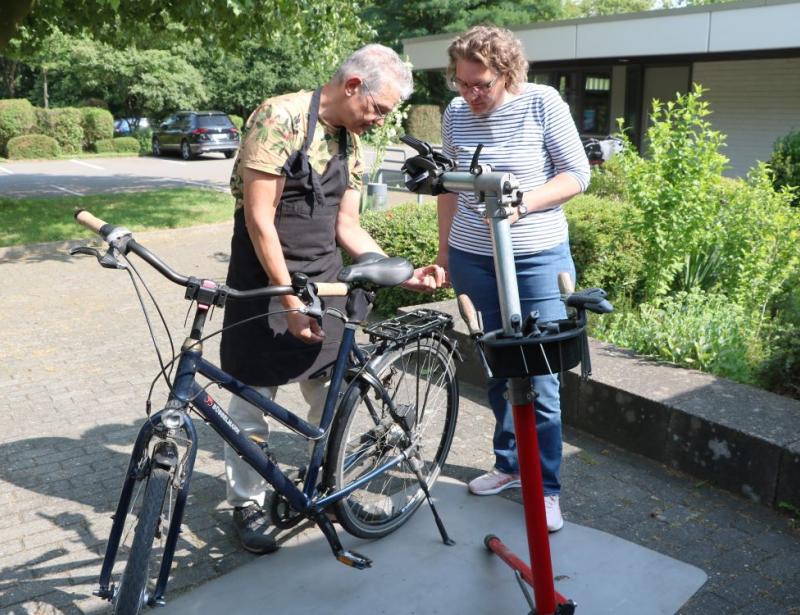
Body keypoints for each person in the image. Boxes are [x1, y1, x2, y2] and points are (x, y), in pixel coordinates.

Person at [220, 44, 444, 554]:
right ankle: (246, 501)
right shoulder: (278, 118)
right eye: (378, 108)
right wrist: (288, 302)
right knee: (253, 399)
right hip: (266, 280)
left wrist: (396, 273)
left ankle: (334, 481)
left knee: (331, 394)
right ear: (351, 87)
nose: (380, 120)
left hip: (325, 281)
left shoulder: (351, 144)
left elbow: (347, 226)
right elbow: (260, 221)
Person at [436, 26, 590, 532]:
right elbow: (447, 187)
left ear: (508, 72)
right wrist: (443, 253)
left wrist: (525, 202)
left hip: (536, 257)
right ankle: (508, 465)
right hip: (474, 257)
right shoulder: (456, 113)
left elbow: (576, 174)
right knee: (498, 366)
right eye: (461, 83)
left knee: (541, 375)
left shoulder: (543, 102)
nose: (469, 94)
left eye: (480, 84)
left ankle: (544, 487)